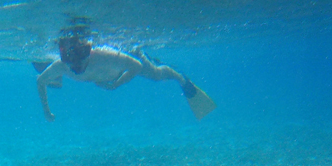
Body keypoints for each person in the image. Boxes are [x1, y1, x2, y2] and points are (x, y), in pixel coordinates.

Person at [34, 34, 216, 122]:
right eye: (71, 65)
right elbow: (40, 81)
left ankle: (181, 78)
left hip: (128, 57)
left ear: (87, 54)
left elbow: (135, 66)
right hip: (109, 73)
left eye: (79, 63)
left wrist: (116, 84)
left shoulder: (105, 55)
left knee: (156, 75)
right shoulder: (62, 65)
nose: (76, 68)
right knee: (54, 78)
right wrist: (45, 111)